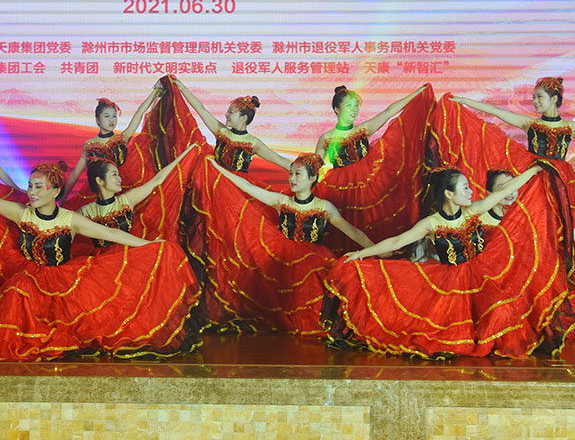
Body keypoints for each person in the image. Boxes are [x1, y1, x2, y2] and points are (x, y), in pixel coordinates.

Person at [0, 161, 202, 361]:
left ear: (55, 191)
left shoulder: (70, 220)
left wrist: (150, 246)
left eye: (38, 187)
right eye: (30, 186)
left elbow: (111, 234)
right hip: (29, 278)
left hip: (62, 282)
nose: (31, 192)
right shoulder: (21, 214)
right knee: (18, 290)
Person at [446, 82, 575, 338]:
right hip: (535, 182)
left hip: (561, 184)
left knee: (560, 232)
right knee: (536, 236)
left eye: (539, 97)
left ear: (554, 98)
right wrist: (465, 100)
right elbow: (496, 112)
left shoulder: (571, 128)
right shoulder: (530, 124)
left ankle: (559, 300)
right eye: (533, 97)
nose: (535, 101)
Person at [321, 165, 572, 358]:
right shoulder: (432, 223)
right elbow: (397, 241)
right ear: (449, 194)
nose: (471, 191)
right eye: (465, 188)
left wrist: (534, 171)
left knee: (502, 313)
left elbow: (504, 191)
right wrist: (361, 254)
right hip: (452, 283)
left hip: (484, 275)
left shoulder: (474, 210)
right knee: (450, 331)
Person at [191, 153, 373, 336]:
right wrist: (217, 168)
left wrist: (376, 250)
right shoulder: (282, 201)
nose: (292, 179)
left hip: (313, 261)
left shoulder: (325, 207)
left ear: (312, 178)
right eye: (291, 173)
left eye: (298, 174)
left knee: (314, 271)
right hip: (283, 258)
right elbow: (247, 186)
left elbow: (353, 232)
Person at [311, 84, 436, 253]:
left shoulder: (363, 129)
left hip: (367, 185)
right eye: (349, 105)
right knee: (345, 227)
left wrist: (417, 93)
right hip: (340, 189)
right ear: (337, 109)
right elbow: (317, 166)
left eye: (356, 105)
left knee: (370, 221)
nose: (354, 109)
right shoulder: (327, 138)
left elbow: (389, 111)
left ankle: (376, 253)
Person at [78, 145, 197, 248]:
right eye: (114, 174)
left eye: (119, 174)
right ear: (99, 180)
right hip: (99, 261)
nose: (119, 179)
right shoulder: (85, 212)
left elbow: (157, 180)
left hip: (130, 255)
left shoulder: (126, 199)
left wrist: (186, 153)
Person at [62, 88, 164, 200]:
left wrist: (154, 92)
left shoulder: (122, 138)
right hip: (97, 193)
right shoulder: (89, 145)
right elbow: (76, 173)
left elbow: (139, 113)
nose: (111, 120)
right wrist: (63, 197)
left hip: (121, 188)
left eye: (114, 116)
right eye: (107, 116)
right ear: (97, 120)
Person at [173, 79, 292, 173]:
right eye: (228, 111)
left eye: (231, 112)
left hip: (235, 188)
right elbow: (201, 109)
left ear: (243, 118)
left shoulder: (253, 143)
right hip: (213, 182)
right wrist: (182, 88)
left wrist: (302, 170)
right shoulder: (221, 132)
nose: (226, 115)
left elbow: (279, 160)